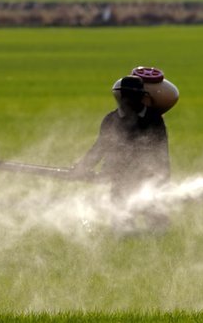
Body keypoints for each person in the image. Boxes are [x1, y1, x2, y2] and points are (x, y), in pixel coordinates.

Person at [72, 74, 171, 232]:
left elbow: (161, 150)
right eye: (124, 97)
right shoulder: (111, 119)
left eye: (131, 97)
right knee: (122, 224)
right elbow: (100, 147)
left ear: (140, 98)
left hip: (147, 177)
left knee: (157, 224)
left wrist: (163, 176)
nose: (127, 101)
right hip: (119, 177)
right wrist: (84, 166)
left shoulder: (154, 120)